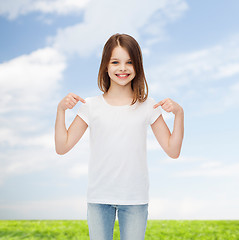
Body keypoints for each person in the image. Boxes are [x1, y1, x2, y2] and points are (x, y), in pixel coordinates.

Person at [55, 33, 184, 240]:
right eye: (115, 62)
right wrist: (61, 110)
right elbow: (62, 146)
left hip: (135, 199)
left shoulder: (148, 106)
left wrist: (179, 114)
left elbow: (173, 150)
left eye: (129, 62)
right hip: (99, 198)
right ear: (105, 66)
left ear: (138, 66)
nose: (122, 68)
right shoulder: (90, 106)